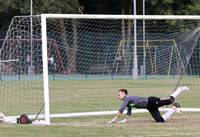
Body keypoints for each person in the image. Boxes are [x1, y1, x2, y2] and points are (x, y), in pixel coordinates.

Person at [108, 86, 189, 123]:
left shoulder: (127, 98)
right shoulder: (127, 102)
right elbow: (129, 111)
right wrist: (126, 120)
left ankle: (179, 90)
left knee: (171, 100)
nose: (118, 96)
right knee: (160, 121)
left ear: (123, 94)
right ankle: (173, 109)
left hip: (151, 101)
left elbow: (121, 109)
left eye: (119, 94)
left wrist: (115, 118)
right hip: (149, 107)